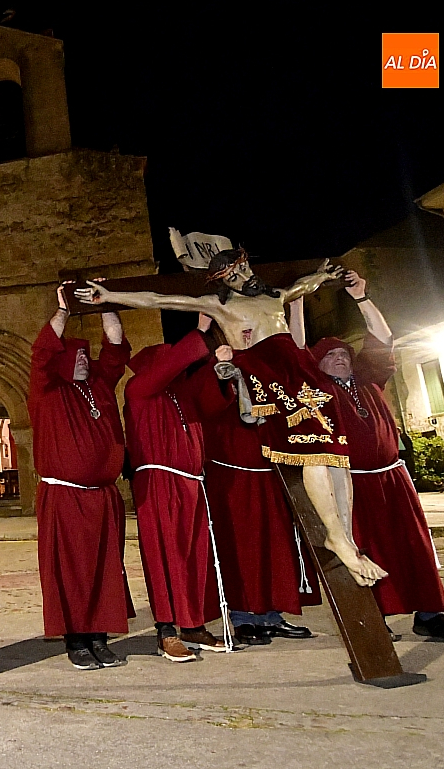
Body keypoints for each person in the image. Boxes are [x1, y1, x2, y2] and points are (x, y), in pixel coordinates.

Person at [78, 249, 387, 587]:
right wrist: (110, 296)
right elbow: (159, 299)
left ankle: (347, 538)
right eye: (233, 274)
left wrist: (324, 275)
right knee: (313, 451)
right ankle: (335, 536)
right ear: (222, 280)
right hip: (269, 375)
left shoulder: (275, 296)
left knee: (336, 454)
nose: (242, 276)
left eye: (243, 268)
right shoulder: (220, 304)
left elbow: (302, 286)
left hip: (299, 372)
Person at [310, 270, 444, 642]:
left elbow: (383, 337)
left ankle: (430, 614)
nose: (339, 358)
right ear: (316, 365)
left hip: (392, 478)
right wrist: (298, 299)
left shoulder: (370, 380)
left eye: (343, 354)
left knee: (414, 545)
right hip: (350, 485)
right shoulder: (316, 392)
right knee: (364, 549)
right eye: (329, 355)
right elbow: (295, 348)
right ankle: (374, 618)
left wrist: (362, 297)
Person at [29, 283, 135, 670]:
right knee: (71, 572)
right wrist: (64, 312)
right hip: (65, 498)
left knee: (105, 570)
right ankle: (76, 640)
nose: (83, 361)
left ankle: (100, 638)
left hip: (103, 497)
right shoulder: (47, 393)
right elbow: (41, 355)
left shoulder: (100, 388)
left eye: (85, 356)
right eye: (74, 356)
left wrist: (106, 304)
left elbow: (116, 347)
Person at [125, 315, 233, 662]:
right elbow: (170, 366)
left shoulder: (181, 394)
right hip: (159, 484)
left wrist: (220, 363)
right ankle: (167, 629)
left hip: (191, 485)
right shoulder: (139, 389)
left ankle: (193, 624)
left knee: (195, 557)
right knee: (165, 557)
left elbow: (214, 403)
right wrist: (198, 333)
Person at [203, 350, 319, 646]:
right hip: (232, 478)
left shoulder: (263, 370)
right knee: (241, 550)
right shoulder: (212, 368)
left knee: (275, 547)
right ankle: (243, 617)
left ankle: (271, 615)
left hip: (269, 473)